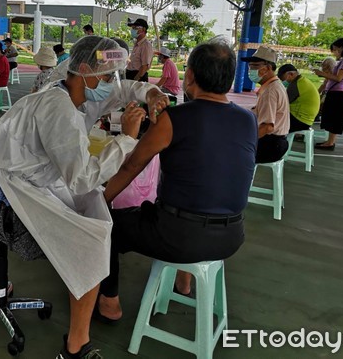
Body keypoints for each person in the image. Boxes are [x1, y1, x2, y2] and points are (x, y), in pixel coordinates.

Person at [0, 36, 170, 359]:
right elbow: (81, 179)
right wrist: (127, 140)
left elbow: (121, 91)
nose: (112, 83)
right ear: (82, 70)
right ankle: (76, 346)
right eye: (106, 76)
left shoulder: (79, 92)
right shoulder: (57, 107)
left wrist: (149, 91)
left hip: (31, 182)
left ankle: (90, 309)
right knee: (88, 240)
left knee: (95, 219)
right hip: (2, 200)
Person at [97, 40, 258, 321]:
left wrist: (99, 202)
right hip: (232, 236)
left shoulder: (174, 118)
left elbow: (132, 166)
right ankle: (184, 283)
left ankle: (109, 302)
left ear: (191, 76)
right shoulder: (247, 119)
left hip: (179, 236)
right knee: (196, 198)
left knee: (107, 227)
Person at [243, 46, 290, 163]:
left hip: (271, 145)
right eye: (250, 66)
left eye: (255, 66)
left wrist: (246, 140)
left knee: (230, 149)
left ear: (268, 67)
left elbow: (267, 127)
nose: (251, 70)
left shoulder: (270, 92)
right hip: (276, 142)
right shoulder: (274, 85)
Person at [313, 38, 343, 150]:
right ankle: (330, 141)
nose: (334, 52)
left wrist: (322, 74)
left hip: (337, 94)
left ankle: (330, 143)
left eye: (335, 49)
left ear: (341, 48)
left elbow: (338, 78)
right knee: (332, 118)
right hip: (335, 92)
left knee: (334, 119)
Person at [277, 64, 320, 132]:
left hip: (299, 121)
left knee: (271, 120)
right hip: (306, 120)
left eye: (283, 79)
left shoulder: (296, 85)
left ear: (290, 74)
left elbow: (282, 103)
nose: (283, 82)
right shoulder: (302, 80)